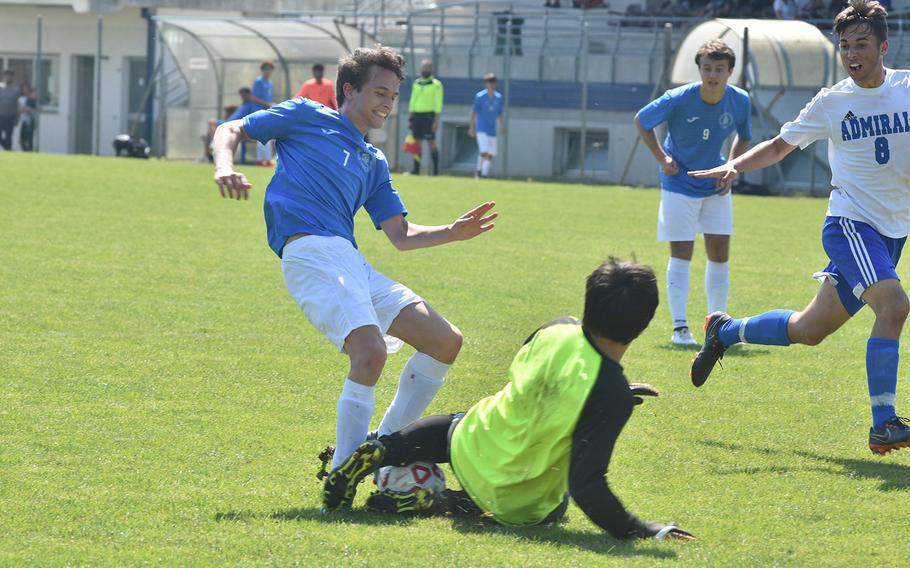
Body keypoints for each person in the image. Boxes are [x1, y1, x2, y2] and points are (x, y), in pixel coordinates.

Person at [211, 46, 497, 472]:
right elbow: (230, 128)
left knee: (445, 341)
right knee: (370, 353)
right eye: (380, 92)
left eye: (392, 97)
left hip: (350, 261)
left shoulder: (373, 160)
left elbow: (400, 235)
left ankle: (382, 450)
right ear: (350, 90)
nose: (387, 103)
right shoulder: (308, 115)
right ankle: (343, 475)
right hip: (308, 251)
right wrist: (223, 166)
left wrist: (453, 233)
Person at [323, 259, 696, 542]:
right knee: (555, 504)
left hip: (473, 440)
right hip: (515, 495)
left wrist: (608, 393)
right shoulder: (610, 394)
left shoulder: (556, 329)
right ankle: (445, 503)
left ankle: (384, 448)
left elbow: (552, 373)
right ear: (643, 324)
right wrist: (643, 529)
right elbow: (588, 485)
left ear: (589, 301)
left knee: (456, 425)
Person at [688, 0, 910, 455]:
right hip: (850, 224)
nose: (851, 53)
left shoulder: (907, 89)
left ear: (884, 46)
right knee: (895, 306)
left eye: (861, 44)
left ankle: (724, 331)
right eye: (845, 45)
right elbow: (777, 146)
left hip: (892, 232)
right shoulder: (832, 102)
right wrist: (733, 165)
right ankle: (884, 423)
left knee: (810, 329)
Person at [634, 40, 752, 346]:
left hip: (715, 185)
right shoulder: (678, 98)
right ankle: (679, 328)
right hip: (679, 185)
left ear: (730, 72)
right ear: (699, 70)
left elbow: (745, 136)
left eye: (720, 69)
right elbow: (642, 120)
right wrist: (663, 158)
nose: (713, 75)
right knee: (682, 254)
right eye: (707, 68)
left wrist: (730, 167)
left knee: (720, 253)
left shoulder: (740, 100)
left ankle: (718, 328)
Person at [407, 59, 443, 176]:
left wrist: (436, 121)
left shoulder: (436, 84)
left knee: (431, 143)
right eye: (424, 67)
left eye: (428, 67)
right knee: (417, 143)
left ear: (431, 69)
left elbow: (438, 103)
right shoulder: (417, 83)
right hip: (417, 116)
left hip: (429, 116)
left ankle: (435, 171)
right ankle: (416, 170)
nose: (425, 70)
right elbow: (413, 101)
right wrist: (410, 118)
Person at [468, 73, 504, 179]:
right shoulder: (480, 97)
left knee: (490, 154)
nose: (491, 85)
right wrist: (471, 127)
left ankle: (484, 174)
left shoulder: (498, 97)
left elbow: (500, 113)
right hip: (481, 129)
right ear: (486, 84)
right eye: (489, 82)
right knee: (484, 151)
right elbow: (473, 112)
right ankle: (479, 170)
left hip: (492, 130)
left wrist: (502, 126)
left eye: (493, 82)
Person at [251, 61, 275, 166]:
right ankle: (260, 160)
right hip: (259, 112)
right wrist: (266, 103)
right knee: (261, 136)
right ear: (262, 70)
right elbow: (254, 97)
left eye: (269, 69)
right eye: (266, 69)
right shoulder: (258, 81)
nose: (268, 71)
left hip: (267, 112)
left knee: (268, 135)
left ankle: (267, 160)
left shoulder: (270, 83)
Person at [0, 69, 19, 151]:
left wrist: (17, 118)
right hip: (0, 116)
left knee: (9, 135)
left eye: (10, 76)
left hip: (11, 116)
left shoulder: (16, 89)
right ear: (3, 77)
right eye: (6, 75)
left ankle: (8, 151)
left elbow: (18, 104)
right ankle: (7, 148)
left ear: (13, 77)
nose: (8, 77)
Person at [18, 83, 36, 152]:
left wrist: (24, 109)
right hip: (23, 121)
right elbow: (19, 110)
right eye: (23, 88)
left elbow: (30, 110)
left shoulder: (31, 98)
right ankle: (25, 152)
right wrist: (23, 109)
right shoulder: (20, 98)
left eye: (26, 88)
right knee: (21, 140)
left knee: (29, 139)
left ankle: (30, 152)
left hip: (30, 121)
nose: (25, 90)